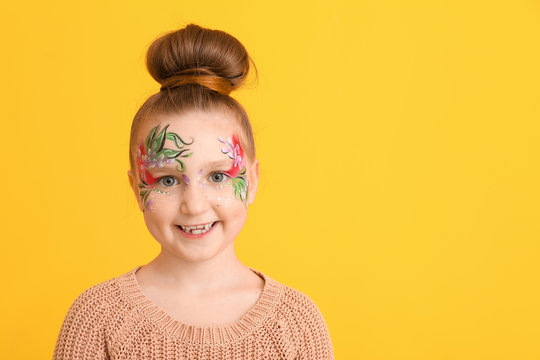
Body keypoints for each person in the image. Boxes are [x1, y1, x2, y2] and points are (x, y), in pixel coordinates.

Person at [52, 23, 334, 360]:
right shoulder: (96, 319)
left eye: (217, 176)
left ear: (253, 181)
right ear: (136, 189)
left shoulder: (297, 323)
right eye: (167, 180)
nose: (194, 205)